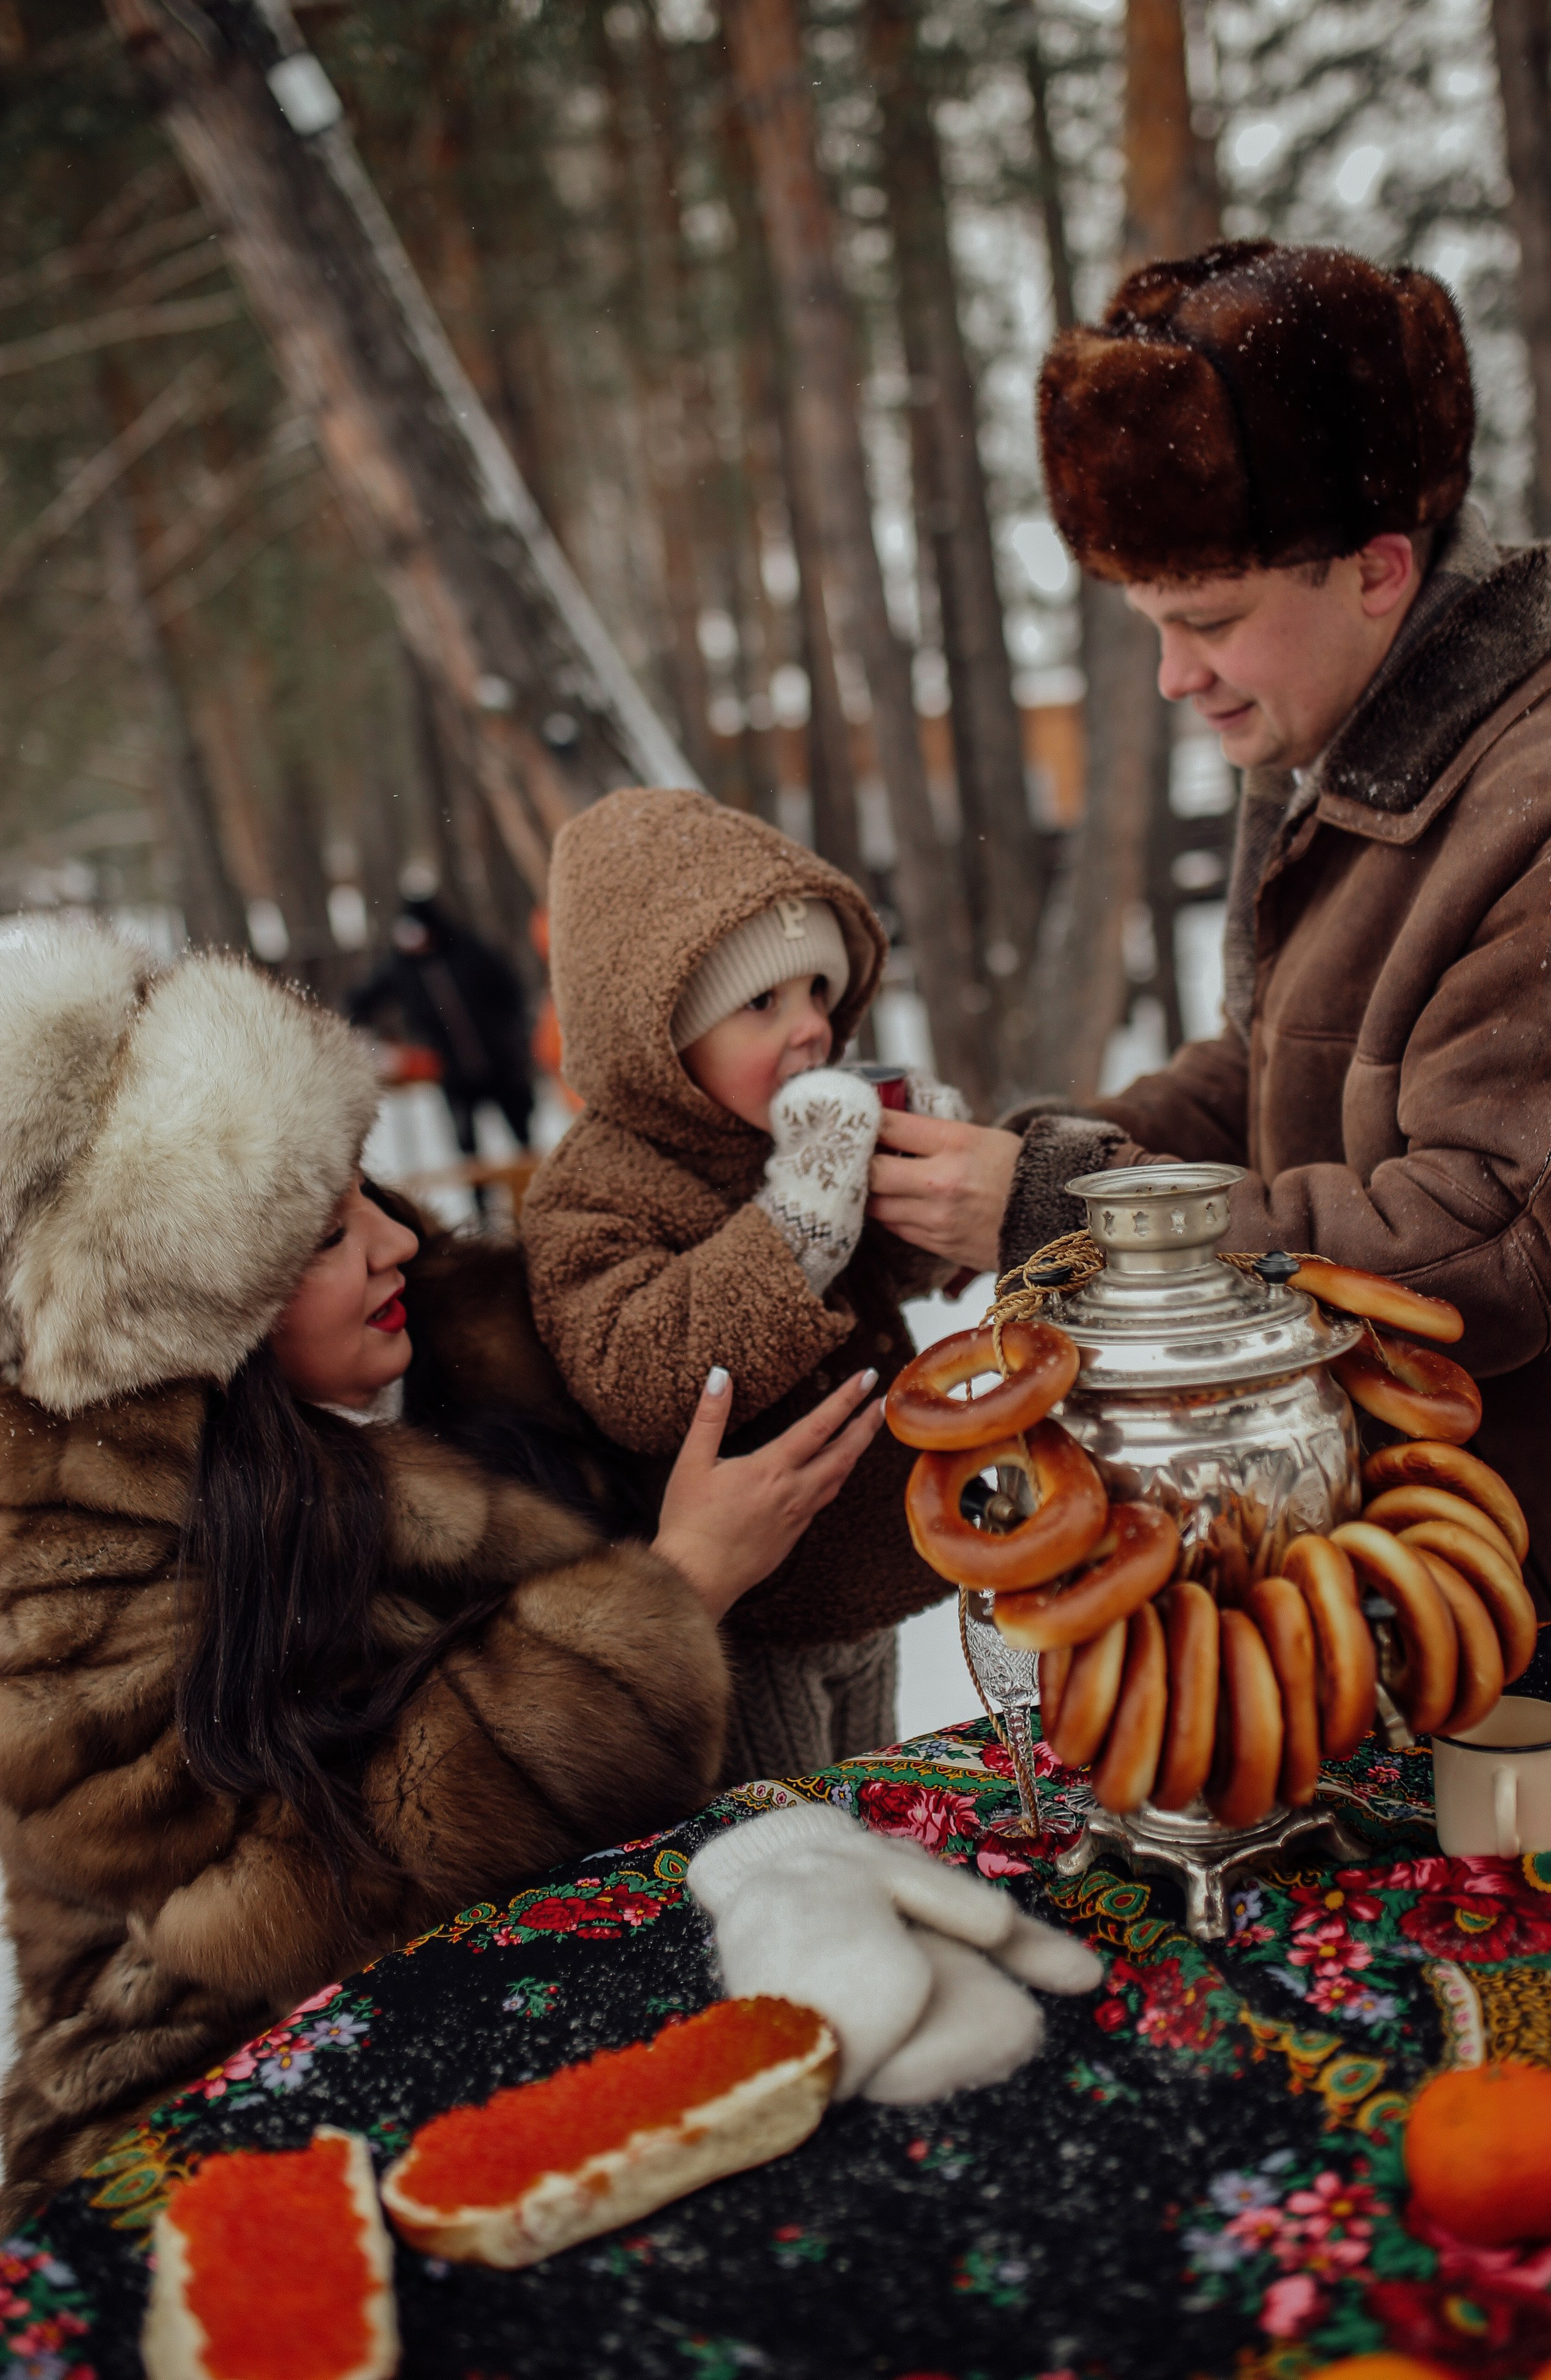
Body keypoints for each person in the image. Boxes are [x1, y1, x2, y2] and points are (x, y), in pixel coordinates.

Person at [0, 919, 880, 2231]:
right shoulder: (62, 1562)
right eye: (319, 1236)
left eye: (364, 1189)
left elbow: (664, 1327)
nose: (395, 1243)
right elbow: (310, 1885)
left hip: (535, 1987)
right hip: (217, 2093)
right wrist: (671, 1594)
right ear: (193, 1309)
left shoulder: (452, 1335)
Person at [863, 237, 1551, 1622]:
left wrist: (1064, 1209)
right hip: (1389, 1563)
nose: (1173, 676)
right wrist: (1026, 1168)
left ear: (1377, 569)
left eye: (1210, 621)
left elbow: (1483, 1251)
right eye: (1150, 624)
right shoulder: (1331, 744)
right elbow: (1268, 1079)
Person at [521, 788, 964, 1785]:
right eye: (762, 1004)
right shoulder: (594, 1190)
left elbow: (886, 1278)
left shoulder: (793, 1133)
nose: (811, 1030)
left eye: (819, 993)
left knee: (880, 1801)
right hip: (747, 1618)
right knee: (795, 1825)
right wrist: (795, 1225)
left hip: (860, 1577)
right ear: (655, 1033)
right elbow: (639, 1373)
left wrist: (921, 1182)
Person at [348, 891, 536, 1158]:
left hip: (499, 1060)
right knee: (466, 1145)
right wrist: (360, 1026)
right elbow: (364, 998)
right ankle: (477, 1185)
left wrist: (515, 1032)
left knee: (522, 1133)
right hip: (451, 1070)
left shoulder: (469, 951)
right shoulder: (402, 968)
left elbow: (509, 989)